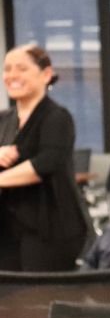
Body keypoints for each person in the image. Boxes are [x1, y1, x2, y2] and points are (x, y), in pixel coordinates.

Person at [0, 44, 86, 271]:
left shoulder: (57, 118)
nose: (12, 76)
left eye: (22, 69)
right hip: (7, 228)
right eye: (7, 69)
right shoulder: (4, 120)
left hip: (50, 228)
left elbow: (46, 164)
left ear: (46, 74)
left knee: (37, 301)